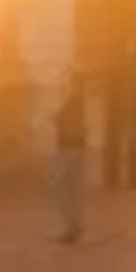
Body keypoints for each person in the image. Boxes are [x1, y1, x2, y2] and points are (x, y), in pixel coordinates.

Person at [50, 68, 88, 245]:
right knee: (72, 189)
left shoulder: (73, 102)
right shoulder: (78, 102)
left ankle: (71, 227)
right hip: (75, 148)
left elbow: (69, 124)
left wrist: (57, 119)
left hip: (68, 148)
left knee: (64, 189)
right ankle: (74, 225)